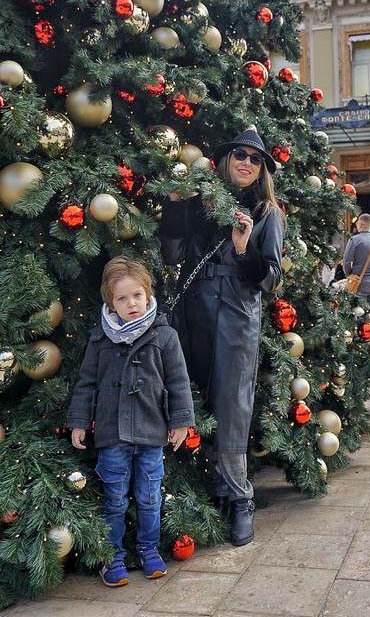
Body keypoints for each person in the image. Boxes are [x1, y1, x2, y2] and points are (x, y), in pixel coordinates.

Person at [159, 129, 284, 547]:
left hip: (236, 315)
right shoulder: (201, 205)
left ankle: (239, 499)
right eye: (240, 155)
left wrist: (244, 248)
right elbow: (173, 256)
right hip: (193, 312)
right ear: (226, 159)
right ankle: (197, 491)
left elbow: (271, 279)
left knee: (231, 405)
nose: (247, 163)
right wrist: (176, 209)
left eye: (255, 159)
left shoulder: (267, 213)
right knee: (189, 398)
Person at [67, 257, 194, 587]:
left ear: (148, 294)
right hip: (112, 434)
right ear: (111, 302)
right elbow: (86, 384)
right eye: (121, 299)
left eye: (137, 295)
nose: (131, 304)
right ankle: (113, 556)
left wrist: (181, 421)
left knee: (150, 497)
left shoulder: (164, 335)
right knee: (115, 499)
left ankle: (149, 548)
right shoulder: (100, 339)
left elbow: (179, 382)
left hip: (152, 433)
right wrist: (79, 421)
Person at [342, 213, 370, 331]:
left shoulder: (354, 240)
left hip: (359, 281)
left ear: (360, 224)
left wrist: (350, 274)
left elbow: (346, 261)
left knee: (358, 311)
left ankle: (362, 339)